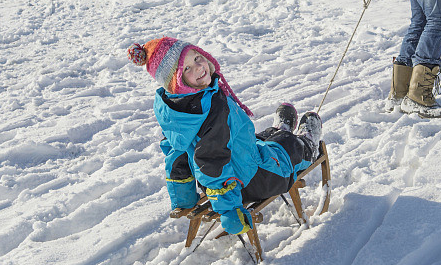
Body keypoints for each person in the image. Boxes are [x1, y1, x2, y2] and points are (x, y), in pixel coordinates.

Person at [127, 37, 322, 236]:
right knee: (288, 151)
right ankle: (306, 143)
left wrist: (183, 198)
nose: (197, 67)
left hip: (234, 166)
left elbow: (176, 151)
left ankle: (280, 131)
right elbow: (212, 163)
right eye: (185, 69)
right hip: (249, 181)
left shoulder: (176, 109)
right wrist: (230, 211)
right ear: (175, 83)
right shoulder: (213, 107)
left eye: (196, 58)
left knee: (260, 140)